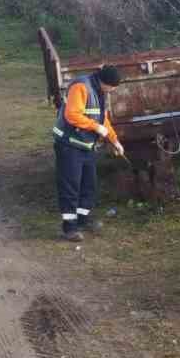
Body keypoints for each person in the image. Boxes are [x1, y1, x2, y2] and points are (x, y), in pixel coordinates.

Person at [52, 64, 125, 242]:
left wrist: (115, 141)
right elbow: (72, 115)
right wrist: (96, 127)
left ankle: (83, 220)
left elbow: (102, 120)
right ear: (105, 82)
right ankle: (69, 228)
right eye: (113, 87)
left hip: (86, 147)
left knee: (88, 185)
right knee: (71, 187)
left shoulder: (100, 92)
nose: (113, 90)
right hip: (69, 146)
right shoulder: (81, 87)